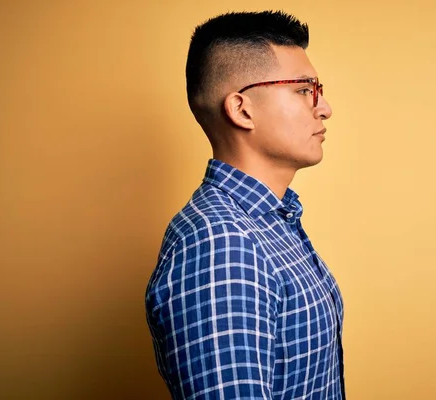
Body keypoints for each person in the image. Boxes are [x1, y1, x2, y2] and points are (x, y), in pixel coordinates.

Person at [145, 10, 345, 399]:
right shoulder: (220, 244)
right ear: (241, 109)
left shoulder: (271, 222)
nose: (324, 107)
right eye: (304, 90)